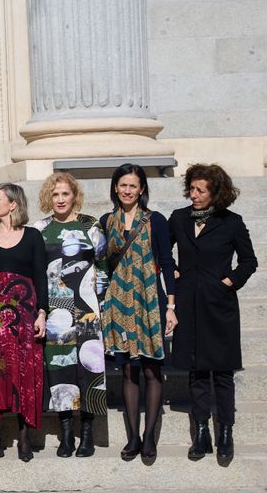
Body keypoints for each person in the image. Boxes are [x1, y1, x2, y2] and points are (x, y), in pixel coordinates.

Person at [169, 164, 257, 463]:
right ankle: (202, 432)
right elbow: (162, 252)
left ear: (215, 193)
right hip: (188, 305)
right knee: (196, 371)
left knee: (222, 372)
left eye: (201, 190)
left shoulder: (231, 222)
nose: (194, 195)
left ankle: (226, 434)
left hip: (219, 306)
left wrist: (229, 282)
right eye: (191, 189)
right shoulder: (179, 218)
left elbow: (249, 261)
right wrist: (175, 272)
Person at [100, 163, 176, 462]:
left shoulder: (155, 220)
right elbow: (103, 265)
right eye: (123, 185)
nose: (127, 190)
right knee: (129, 369)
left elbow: (168, 263)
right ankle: (133, 436)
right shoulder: (107, 221)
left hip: (149, 301)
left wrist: (171, 306)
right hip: (118, 303)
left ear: (142, 188)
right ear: (115, 188)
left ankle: (150, 437)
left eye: (133, 186)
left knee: (151, 368)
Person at [34, 172, 108, 458]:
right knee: (60, 369)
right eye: (55, 194)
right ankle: (66, 435)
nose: (60, 199)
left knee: (89, 370)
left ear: (74, 195)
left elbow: (103, 266)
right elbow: (36, 271)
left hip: (88, 309)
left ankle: (87, 434)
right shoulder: (41, 228)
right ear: (48, 198)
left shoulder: (91, 226)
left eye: (65, 194)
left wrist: (100, 302)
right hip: (56, 312)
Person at [0, 183, 47, 462]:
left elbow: (41, 278)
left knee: (23, 374)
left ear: (13, 204)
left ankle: (24, 437)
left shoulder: (32, 237)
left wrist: (42, 313)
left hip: (25, 317)